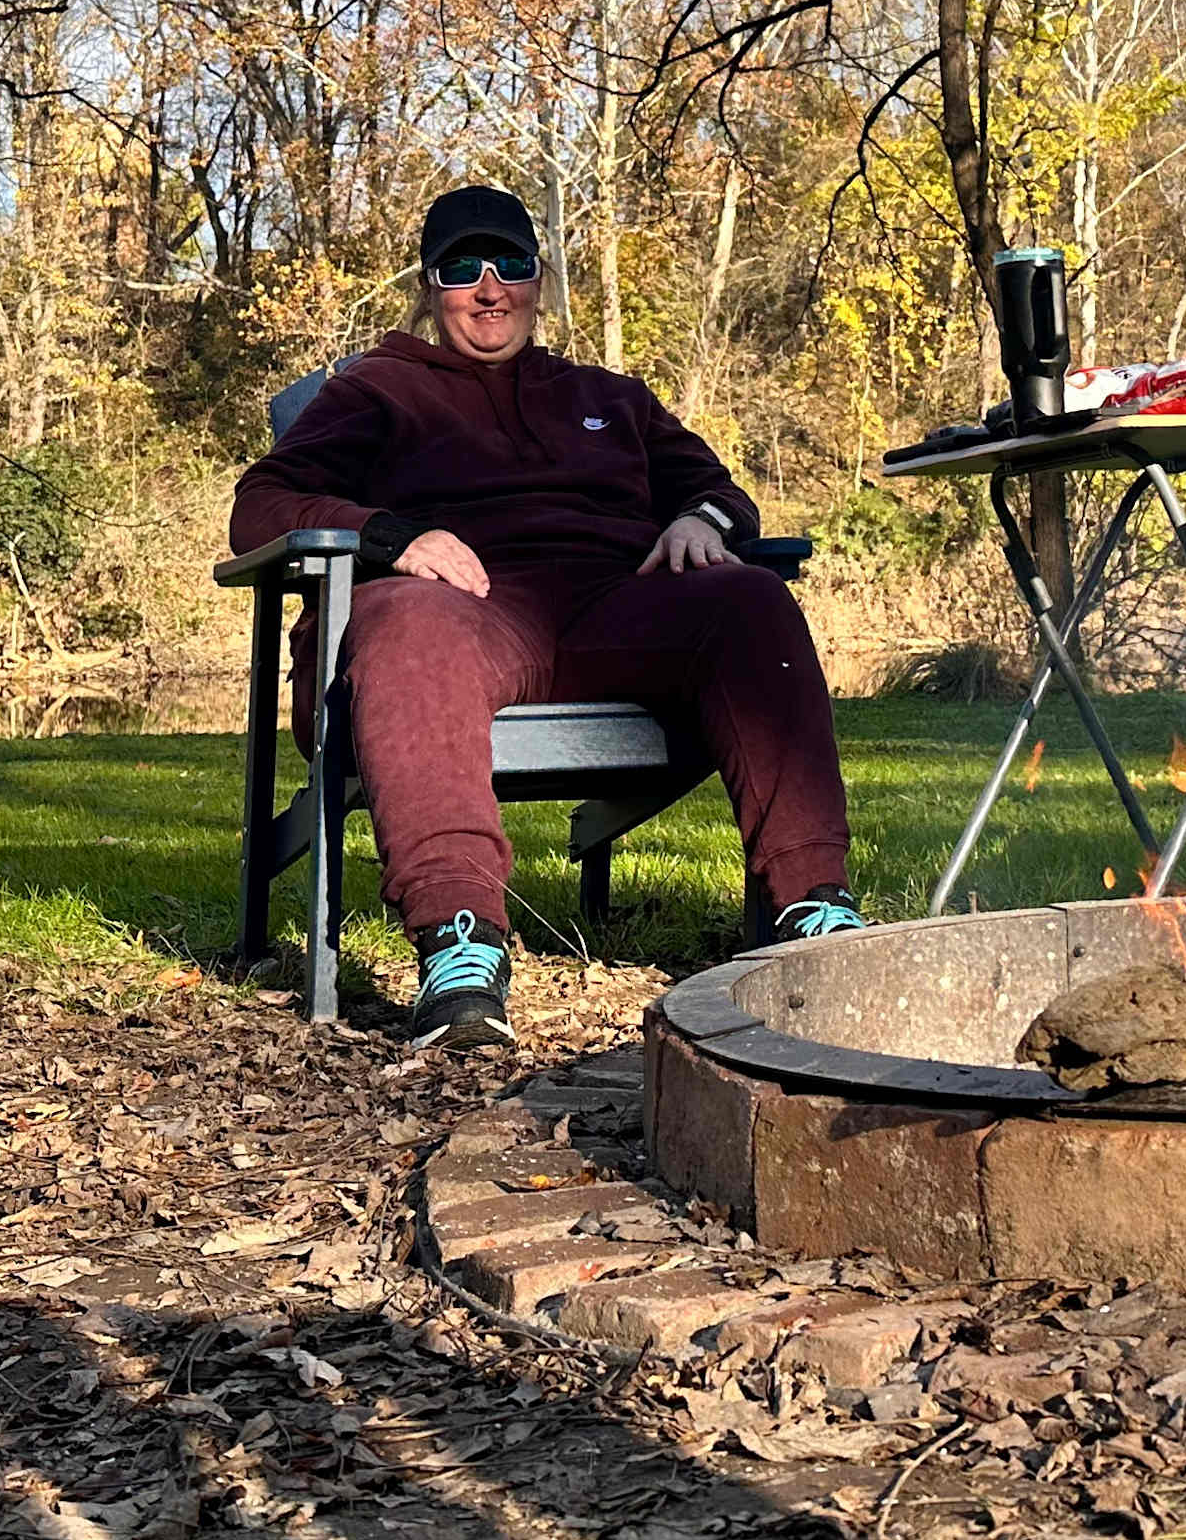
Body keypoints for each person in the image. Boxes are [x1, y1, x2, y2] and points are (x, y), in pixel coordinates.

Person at [232, 183, 864, 1048]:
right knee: (409, 625)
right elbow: (263, 504)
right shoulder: (374, 392)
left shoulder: (610, 396)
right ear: (430, 287)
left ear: (540, 279)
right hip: (459, 613)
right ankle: (460, 942)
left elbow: (716, 489)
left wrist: (703, 521)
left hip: (616, 608)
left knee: (751, 596)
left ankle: (815, 907)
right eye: (463, 268)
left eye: (511, 264)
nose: (490, 288)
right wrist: (391, 537)